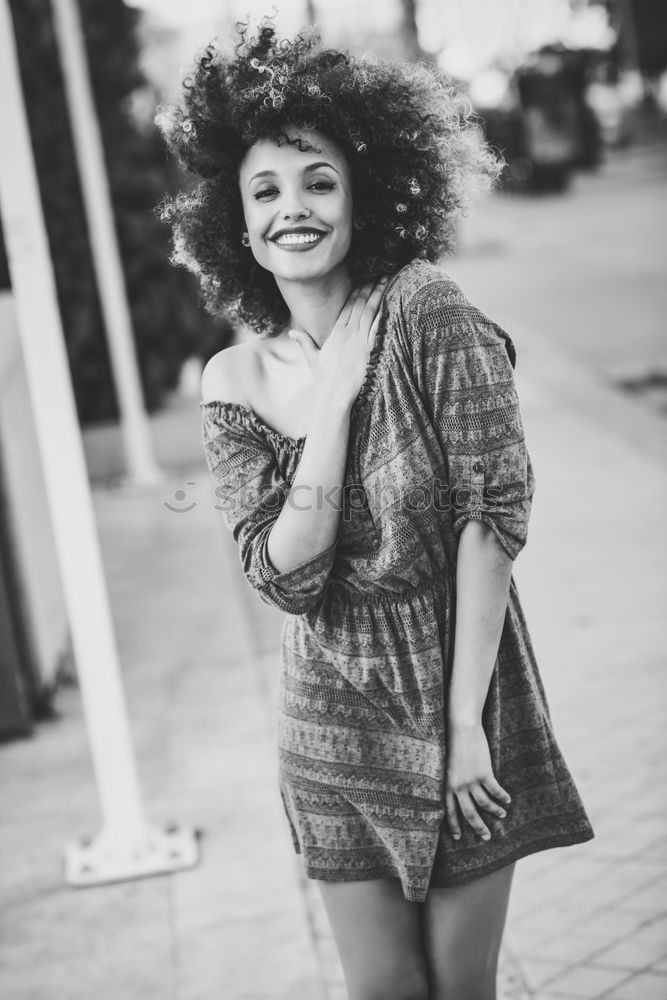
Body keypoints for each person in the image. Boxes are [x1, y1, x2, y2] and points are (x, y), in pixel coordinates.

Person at [157, 21, 594, 1000]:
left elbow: (490, 516)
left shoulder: (425, 308)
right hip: (328, 728)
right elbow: (286, 575)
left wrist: (461, 726)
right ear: (234, 222)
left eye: (317, 181)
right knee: (385, 991)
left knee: (460, 986)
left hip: (462, 693)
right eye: (264, 191)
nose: (293, 209)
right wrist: (335, 398)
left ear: (360, 194)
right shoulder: (232, 378)